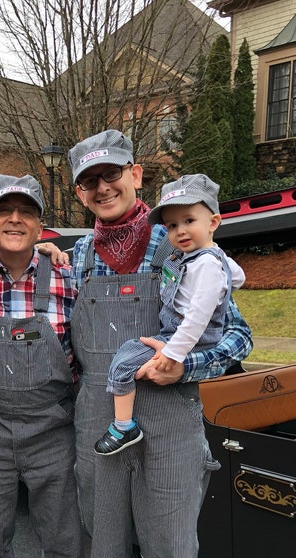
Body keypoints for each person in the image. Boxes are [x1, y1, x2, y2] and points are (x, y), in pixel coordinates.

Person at [66, 130, 252, 558]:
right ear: (79, 193)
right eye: (90, 181)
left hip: (170, 421)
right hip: (99, 423)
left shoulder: (181, 239)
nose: (103, 187)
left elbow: (239, 336)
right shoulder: (79, 257)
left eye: (111, 174)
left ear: (135, 174)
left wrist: (185, 368)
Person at [0, 174, 86, 558]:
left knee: (66, 541)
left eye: (26, 212)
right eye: (4, 211)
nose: (15, 220)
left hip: (54, 430)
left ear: (40, 226)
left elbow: (89, 357)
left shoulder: (69, 280)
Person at [95, 173, 246, 455]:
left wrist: (176, 356)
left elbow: (206, 322)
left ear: (213, 222)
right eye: (173, 225)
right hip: (171, 337)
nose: (180, 231)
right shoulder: (199, 258)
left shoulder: (204, 265)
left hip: (179, 345)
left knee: (125, 358)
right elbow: (237, 276)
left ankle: (123, 425)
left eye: (189, 221)